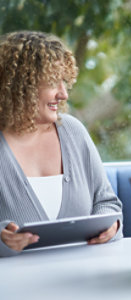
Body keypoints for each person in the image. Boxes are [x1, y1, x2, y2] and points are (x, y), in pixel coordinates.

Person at [0, 31, 123, 257]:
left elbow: (108, 203)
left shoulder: (73, 132)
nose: (64, 94)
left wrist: (111, 227)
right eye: (52, 82)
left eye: (64, 81)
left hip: (85, 283)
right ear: (20, 85)